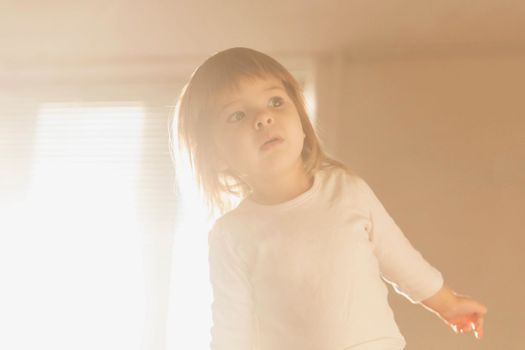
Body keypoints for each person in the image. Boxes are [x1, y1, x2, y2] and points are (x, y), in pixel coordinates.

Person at [172, 47, 488, 350]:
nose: (263, 117)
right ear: (214, 155)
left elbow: (400, 259)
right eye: (237, 115)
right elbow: (231, 328)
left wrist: (448, 303)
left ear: (301, 120)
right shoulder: (232, 235)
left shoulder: (346, 190)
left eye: (275, 102)